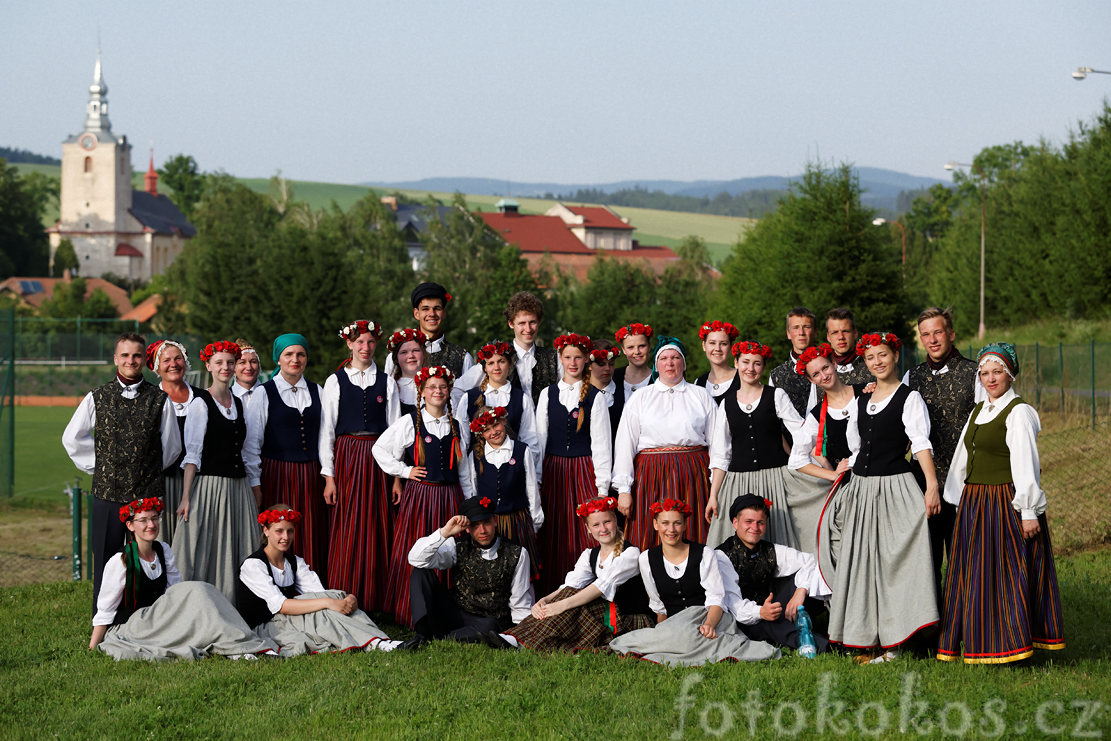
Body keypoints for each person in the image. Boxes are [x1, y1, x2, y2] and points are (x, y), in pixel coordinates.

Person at [937, 343, 1064, 664]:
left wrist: (1029, 511)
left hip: (1005, 502)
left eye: (997, 372)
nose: (990, 379)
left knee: (1008, 574)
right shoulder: (980, 411)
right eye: (985, 373)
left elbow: (1026, 463)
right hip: (975, 503)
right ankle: (983, 642)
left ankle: (1015, 643)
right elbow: (963, 459)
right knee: (977, 574)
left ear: (1010, 375)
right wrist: (955, 499)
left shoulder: (1019, 412)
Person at [818, 332, 940, 663]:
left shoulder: (909, 398)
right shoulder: (861, 400)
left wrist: (931, 485)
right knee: (863, 565)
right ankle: (866, 638)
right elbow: (857, 448)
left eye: (883, 355)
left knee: (894, 566)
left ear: (895, 355)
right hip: (863, 488)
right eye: (871, 358)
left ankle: (896, 644)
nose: (877, 362)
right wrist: (847, 474)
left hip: (895, 488)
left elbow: (920, 443)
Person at [63, 332, 182, 611]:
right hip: (107, 491)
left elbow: (172, 447)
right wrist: (101, 464)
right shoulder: (97, 397)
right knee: (105, 556)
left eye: (137, 355)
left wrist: (144, 466)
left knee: (147, 557)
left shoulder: (159, 399)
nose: (131, 360)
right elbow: (71, 438)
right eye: (125, 355)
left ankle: (148, 616)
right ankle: (103, 620)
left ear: (144, 359)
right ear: (116, 359)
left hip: (147, 495)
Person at [91, 497, 278, 661]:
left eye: (155, 518)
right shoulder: (120, 561)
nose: (151, 525)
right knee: (196, 591)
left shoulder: (163, 550)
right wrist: (93, 647)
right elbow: (105, 610)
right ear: (130, 525)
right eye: (143, 521)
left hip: (160, 621)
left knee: (203, 593)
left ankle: (239, 644)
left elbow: (175, 593)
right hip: (133, 627)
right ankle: (239, 647)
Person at [607, 498, 781, 667]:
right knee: (648, 638)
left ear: (684, 525)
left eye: (677, 523)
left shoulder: (705, 554)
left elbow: (716, 600)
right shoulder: (646, 559)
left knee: (689, 636)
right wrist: (663, 634)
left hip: (708, 617)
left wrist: (709, 626)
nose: (671, 529)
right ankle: (676, 644)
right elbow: (658, 605)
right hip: (675, 625)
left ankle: (680, 646)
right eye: (665, 523)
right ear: (655, 524)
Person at [372, 365, 474, 626]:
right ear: (422, 392)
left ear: (449, 391)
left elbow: (464, 469)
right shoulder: (409, 422)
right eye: (432, 387)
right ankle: (411, 612)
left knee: (450, 548)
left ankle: (447, 612)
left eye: (442, 387)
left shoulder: (458, 425)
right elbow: (380, 450)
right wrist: (405, 471)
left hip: (450, 496)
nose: (437, 391)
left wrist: (469, 502)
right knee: (416, 547)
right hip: (420, 497)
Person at [236, 506, 402, 655]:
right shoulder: (254, 565)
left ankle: (379, 641)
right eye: (279, 531)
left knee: (327, 604)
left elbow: (319, 593)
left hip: (285, 618)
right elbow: (282, 606)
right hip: (266, 626)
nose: (285, 537)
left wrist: (347, 599)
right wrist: (328, 602)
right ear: (266, 531)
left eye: (290, 531)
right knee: (323, 607)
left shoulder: (295, 562)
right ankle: (375, 642)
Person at [318, 320, 401, 613]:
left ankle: (377, 598)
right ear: (349, 344)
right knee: (349, 524)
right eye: (359, 342)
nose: (365, 348)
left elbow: (394, 432)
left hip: (379, 458)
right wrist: (329, 477)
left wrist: (396, 477)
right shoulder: (335, 381)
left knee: (378, 524)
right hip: (348, 457)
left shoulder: (386, 381)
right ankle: (345, 592)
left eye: (370, 342)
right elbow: (327, 430)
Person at [901, 307, 983, 600]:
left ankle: (966, 628)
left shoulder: (975, 373)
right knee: (927, 559)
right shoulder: (912, 376)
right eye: (926, 334)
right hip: (923, 483)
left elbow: (985, 427)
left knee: (965, 559)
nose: (932, 339)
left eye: (938, 332)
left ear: (951, 334)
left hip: (965, 481)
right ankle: (933, 631)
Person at [507, 496, 653, 651]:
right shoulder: (590, 554)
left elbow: (600, 587)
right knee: (571, 594)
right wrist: (545, 600)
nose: (603, 529)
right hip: (603, 614)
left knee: (573, 604)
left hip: (627, 618)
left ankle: (517, 640)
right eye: (596, 525)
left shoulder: (630, 553)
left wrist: (560, 605)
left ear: (616, 521)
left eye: (607, 522)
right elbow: (571, 584)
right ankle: (515, 637)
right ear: (588, 529)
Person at [175, 340, 260, 604]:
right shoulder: (201, 403)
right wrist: (187, 496)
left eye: (230, 363)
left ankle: (238, 605)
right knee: (207, 550)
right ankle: (202, 606)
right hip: (210, 488)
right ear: (209, 366)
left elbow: (246, 451)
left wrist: (253, 487)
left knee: (241, 548)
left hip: (238, 489)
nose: (226, 367)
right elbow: (193, 454)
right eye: (220, 362)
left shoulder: (238, 402)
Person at [613, 337, 715, 550]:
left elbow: (718, 443)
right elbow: (625, 443)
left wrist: (715, 486)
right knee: (648, 531)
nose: (670, 363)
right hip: (651, 474)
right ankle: (647, 580)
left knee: (693, 529)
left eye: (676, 358)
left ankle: (695, 579)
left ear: (683, 363)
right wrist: (624, 488)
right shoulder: (641, 397)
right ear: (656, 365)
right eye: (664, 358)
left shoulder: (700, 395)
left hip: (693, 473)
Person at [705, 340, 808, 549]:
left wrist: (810, 466)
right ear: (735, 362)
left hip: (776, 481)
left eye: (757, 363)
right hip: (738, 483)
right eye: (745, 362)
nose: (750, 369)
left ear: (763, 367)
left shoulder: (776, 395)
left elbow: (803, 434)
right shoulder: (727, 403)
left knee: (777, 536)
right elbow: (721, 454)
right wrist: (713, 495)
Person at [244, 333, 328, 581]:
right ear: (277, 359)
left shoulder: (317, 390)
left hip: (311, 474)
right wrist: (256, 484)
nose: (295, 359)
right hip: (277, 473)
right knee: (279, 530)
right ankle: (280, 584)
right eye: (288, 354)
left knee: (310, 530)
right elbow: (252, 444)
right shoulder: (264, 393)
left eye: (300, 354)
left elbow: (325, 437)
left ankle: (311, 585)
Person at [535, 333, 612, 592]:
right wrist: (537, 479)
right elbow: (540, 440)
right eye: (567, 357)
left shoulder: (596, 396)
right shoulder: (548, 394)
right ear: (560, 359)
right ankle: (553, 592)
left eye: (578, 357)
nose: (572, 362)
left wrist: (602, 490)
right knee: (555, 531)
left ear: (586, 360)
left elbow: (601, 445)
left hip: (583, 471)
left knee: (584, 530)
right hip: (554, 471)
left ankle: (585, 591)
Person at [406, 495, 534, 647]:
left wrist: (520, 635)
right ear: (467, 528)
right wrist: (445, 533)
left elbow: (520, 601)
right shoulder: (456, 545)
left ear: (495, 521)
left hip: (486, 621)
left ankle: (437, 639)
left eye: (486, 522)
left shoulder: (517, 553)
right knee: (420, 573)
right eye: (475, 525)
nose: (482, 530)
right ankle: (424, 633)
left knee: (490, 627)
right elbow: (415, 559)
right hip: (455, 613)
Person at [717, 494, 831, 653]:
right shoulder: (722, 556)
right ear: (735, 523)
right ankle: (826, 646)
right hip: (745, 619)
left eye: (760, 522)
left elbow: (810, 561)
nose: (755, 528)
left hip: (772, 606)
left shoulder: (769, 549)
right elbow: (734, 605)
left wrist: (800, 591)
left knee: (816, 575)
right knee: (768, 625)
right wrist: (760, 612)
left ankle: (834, 627)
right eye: (748, 522)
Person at [787, 343, 860, 552]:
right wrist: (833, 476)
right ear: (811, 380)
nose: (823, 375)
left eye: (825, 368)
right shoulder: (817, 415)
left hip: (877, 480)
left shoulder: (865, 393)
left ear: (834, 364)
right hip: (847, 491)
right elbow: (796, 460)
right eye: (816, 374)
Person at [467, 405, 543, 579]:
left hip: (518, 520)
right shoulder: (476, 456)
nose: (493, 432)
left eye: (496, 425)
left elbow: (531, 488)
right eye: (486, 430)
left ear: (503, 422)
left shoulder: (522, 450)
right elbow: (472, 490)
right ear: (481, 434)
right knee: (495, 569)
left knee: (521, 569)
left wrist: (535, 520)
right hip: (490, 523)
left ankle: (524, 604)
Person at [146, 339, 198, 545]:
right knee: (162, 540)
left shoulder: (202, 398)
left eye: (178, 358)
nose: (173, 364)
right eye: (166, 360)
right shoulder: (149, 400)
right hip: (160, 483)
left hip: (197, 483)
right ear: (157, 367)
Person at [460, 339, 540, 469]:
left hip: (513, 470)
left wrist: (531, 474)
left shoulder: (521, 398)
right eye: (491, 363)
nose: (496, 367)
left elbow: (530, 440)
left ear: (509, 364)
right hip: (478, 470)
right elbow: (463, 443)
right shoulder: (469, 398)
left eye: (501, 361)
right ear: (485, 368)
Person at [385, 282, 474, 377]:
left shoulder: (463, 358)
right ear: (416, 314)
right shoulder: (397, 357)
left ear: (444, 313)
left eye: (437, 308)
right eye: (425, 309)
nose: (432, 314)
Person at [768, 307, 817, 417]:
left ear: (815, 332)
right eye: (795, 328)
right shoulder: (776, 376)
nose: (801, 333)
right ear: (788, 334)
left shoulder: (831, 367)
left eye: (806, 327)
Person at [694, 320, 740, 404]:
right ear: (704, 346)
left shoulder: (743, 379)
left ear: (731, 347)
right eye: (712, 343)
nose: (717, 349)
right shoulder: (698, 383)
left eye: (723, 344)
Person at [825, 307, 874, 387]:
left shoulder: (872, 365)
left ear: (855, 334)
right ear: (828, 337)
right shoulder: (821, 371)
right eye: (835, 332)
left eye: (845, 331)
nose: (841, 337)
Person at [588, 340, 624, 446]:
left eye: (611, 364)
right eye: (601, 364)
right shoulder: (579, 393)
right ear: (589, 365)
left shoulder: (622, 392)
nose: (607, 368)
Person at [386, 327, 426, 418]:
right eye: (404, 352)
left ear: (423, 354)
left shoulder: (436, 387)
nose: (411, 356)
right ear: (396, 359)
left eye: (415, 350)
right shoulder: (389, 387)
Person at [613, 322, 653, 398]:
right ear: (623, 350)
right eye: (630, 347)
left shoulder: (659, 379)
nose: (637, 352)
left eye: (642, 346)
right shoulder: (613, 377)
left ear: (649, 346)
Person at [231, 338, 264, 413]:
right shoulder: (224, 397)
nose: (249, 367)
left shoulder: (271, 394)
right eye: (242, 362)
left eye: (253, 362)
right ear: (234, 367)